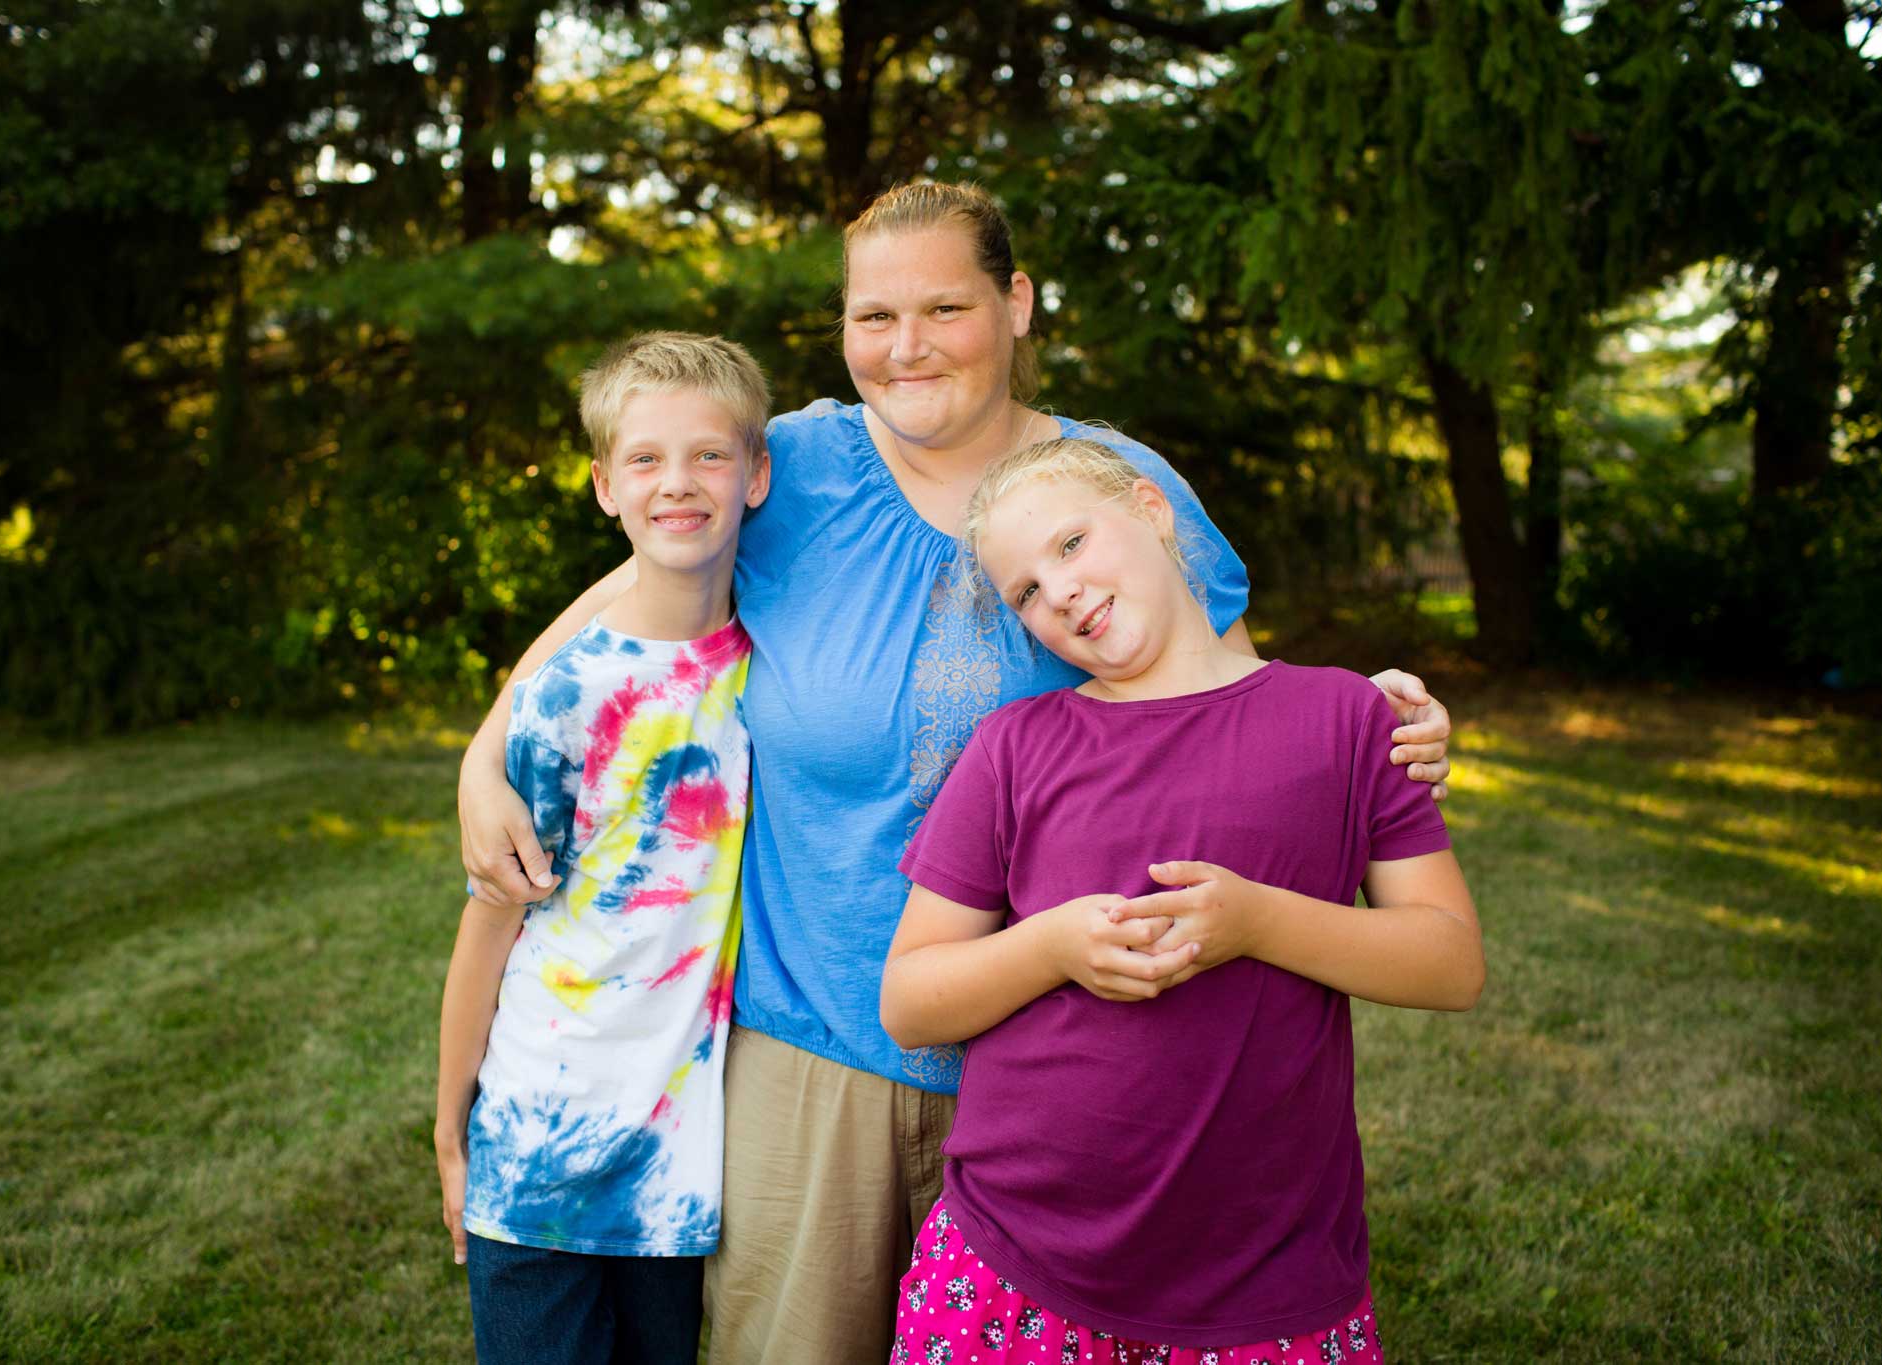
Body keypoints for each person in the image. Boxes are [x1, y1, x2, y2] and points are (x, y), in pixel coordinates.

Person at [457, 181, 1456, 1364]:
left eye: (943, 306)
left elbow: (1214, 689)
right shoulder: (790, 469)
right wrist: (488, 749)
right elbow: (632, 596)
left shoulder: (1105, 480)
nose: (905, 346)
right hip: (816, 1038)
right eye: (871, 317)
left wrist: (1374, 721)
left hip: (1071, 1055)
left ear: (1017, 303)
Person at [879, 437, 1484, 1365]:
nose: (1061, 592)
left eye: (1072, 544)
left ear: (1153, 510)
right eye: (1027, 592)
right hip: (1013, 1264)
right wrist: (1049, 947)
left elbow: (1451, 963)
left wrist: (1258, 922)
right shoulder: (1014, 748)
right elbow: (910, 1001)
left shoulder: (1348, 719)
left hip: (1267, 1279)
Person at [433, 331, 771, 1365]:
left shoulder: (769, 667)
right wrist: (450, 1133)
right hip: (539, 1148)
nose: (679, 482)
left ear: (756, 476)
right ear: (602, 487)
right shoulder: (567, 697)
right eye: (645, 460)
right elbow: (490, 924)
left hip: (675, 1164)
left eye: (709, 455)